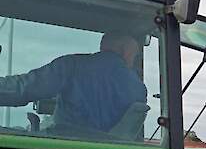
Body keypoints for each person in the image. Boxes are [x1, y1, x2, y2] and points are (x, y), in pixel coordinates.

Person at [0, 32, 147, 134]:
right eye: (134, 56)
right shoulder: (139, 89)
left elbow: (23, 89)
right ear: (124, 52)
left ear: (104, 46)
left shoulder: (72, 66)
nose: (132, 61)